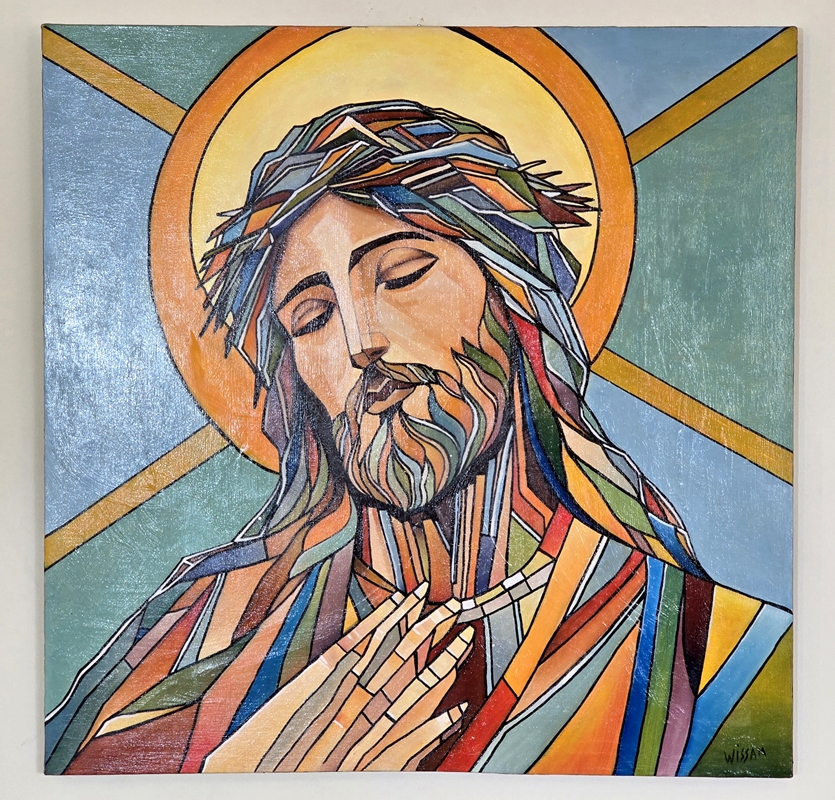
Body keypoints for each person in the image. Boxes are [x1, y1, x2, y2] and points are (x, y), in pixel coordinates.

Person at [45, 100, 792, 776]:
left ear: (512, 300)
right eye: (312, 318)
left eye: (401, 274)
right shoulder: (210, 633)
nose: (360, 341)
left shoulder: (722, 656)